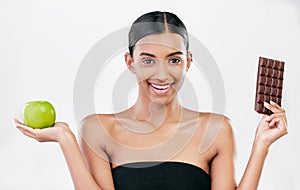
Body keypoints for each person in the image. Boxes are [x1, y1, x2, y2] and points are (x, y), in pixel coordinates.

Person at [14, 11, 288, 190]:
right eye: (148, 60)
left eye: (174, 60)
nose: (162, 73)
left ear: (188, 63)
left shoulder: (216, 130)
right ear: (130, 62)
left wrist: (261, 145)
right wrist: (66, 139)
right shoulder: (98, 129)